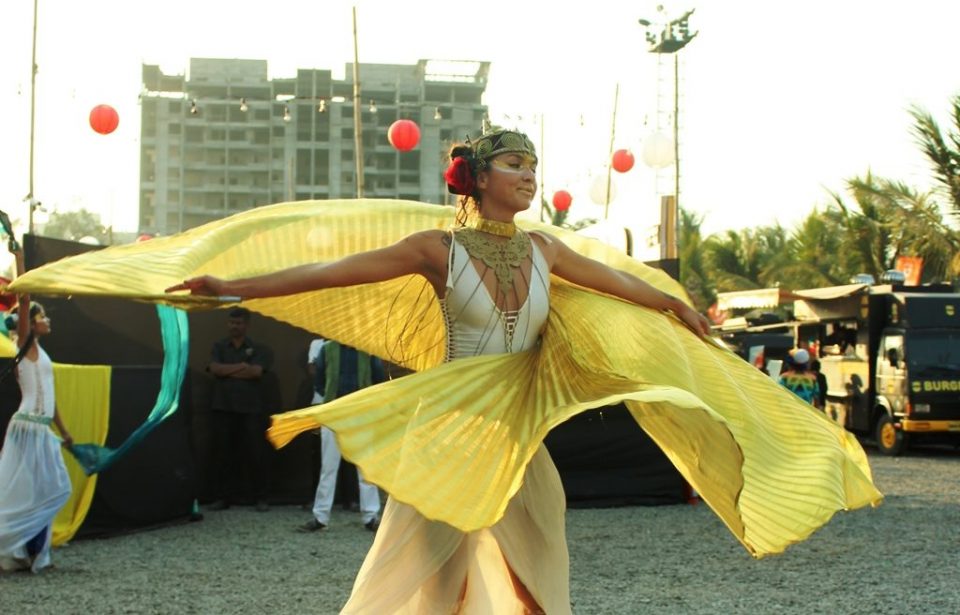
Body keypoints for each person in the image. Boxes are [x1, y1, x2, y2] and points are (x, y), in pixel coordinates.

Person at [167, 127, 713, 613]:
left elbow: (620, 283)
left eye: (532, 167)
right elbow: (331, 272)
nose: (528, 176)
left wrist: (676, 306)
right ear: (477, 177)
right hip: (449, 431)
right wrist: (235, 287)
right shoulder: (437, 249)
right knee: (438, 580)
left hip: (517, 436)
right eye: (515, 165)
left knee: (535, 572)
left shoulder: (546, 250)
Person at [0, 245, 73, 573]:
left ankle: (32, 555)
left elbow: (51, 397)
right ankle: (26, 554)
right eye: (42, 316)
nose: (47, 320)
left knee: (47, 489)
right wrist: (20, 263)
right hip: (28, 427)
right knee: (36, 491)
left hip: (41, 428)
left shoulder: (41, 354)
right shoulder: (24, 347)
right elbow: (25, 300)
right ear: (30, 322)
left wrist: (64, 430)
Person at [299, 339, 385, 533]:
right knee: (329, 466)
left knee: (365, 467)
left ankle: (370, 516)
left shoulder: (368, 349)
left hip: (361, 412)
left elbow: (379, 380)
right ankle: (321, 517)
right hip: (335, 412)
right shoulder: (327, 349)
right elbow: (319, 381)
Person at [206, 307, 274, 512]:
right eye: (231, 323)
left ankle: (261, 498)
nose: (234, 327)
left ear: (246, 325)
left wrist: (228, 371)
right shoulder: (219, 346)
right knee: (223, 453)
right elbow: (215, 369)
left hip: (250, 408)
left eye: (238, 323)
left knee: (256, 453)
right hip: (223, 407)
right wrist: (241, 366)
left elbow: (256, 373)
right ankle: (223, 498)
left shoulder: (258, 348)